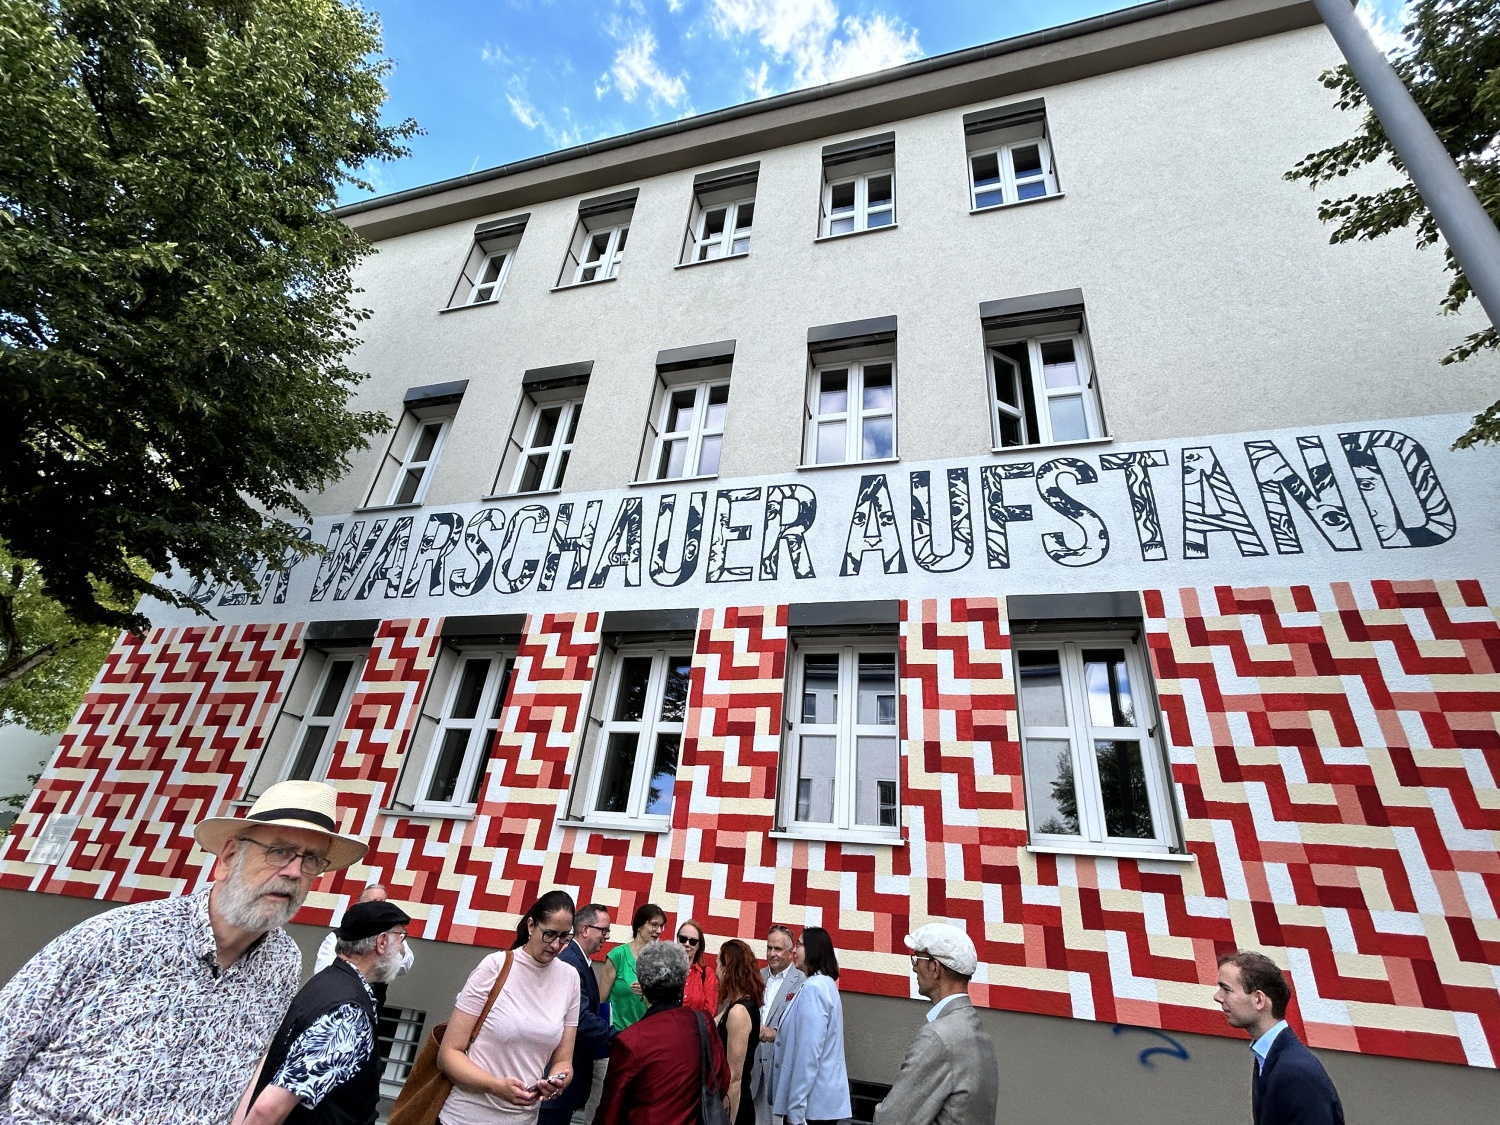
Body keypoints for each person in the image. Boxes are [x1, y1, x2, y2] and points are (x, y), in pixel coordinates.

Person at [0, 779, 368, 1124]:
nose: (293, 872)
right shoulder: (114, 938)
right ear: (227, 856)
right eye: (280, 851)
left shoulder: (283, 962)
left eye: (311, 860)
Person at [239, 900, 412, 1125]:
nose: (401, 949)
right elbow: (268, 1108)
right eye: (401, 937)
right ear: (381, 942)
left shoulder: (326, 982)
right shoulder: (347, 1013)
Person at [437, 891, 580, 1123]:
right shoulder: (495, 966)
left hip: (524, 1118)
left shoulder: (570, 978)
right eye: (550, 934)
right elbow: (448, 1054)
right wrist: (494, 1086)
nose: (556, 945)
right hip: (466, 1117)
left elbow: (564, 1060)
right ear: (531, 925)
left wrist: (556, 1080)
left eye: (565, 937)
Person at [872, 922, 999, 1125]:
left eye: (917, 959)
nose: (914, 967)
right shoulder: (978, 1034)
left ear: (935, 968)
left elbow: (892, 1119)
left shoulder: (938, 1036)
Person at [592, 941, 730, 1125]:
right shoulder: (703, 1022)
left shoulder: (630, 1040)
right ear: (683, 979)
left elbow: (610, 1111)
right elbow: (721, 1080)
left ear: (642, 982)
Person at [1214, 951, 1345, 1125]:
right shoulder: (1270, 1058)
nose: (1218, 996)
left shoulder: (1296, 1072)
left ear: (1259, 1000)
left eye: (1227, 989)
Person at [538, 904, 614, 1125]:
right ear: (585, 929)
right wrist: (617, 1037)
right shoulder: (571, 963)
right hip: (556, 1083)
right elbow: (580, 1018)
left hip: (568, 1081)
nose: (606, 936)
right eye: (603, 930)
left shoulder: (581, 962)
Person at [770, 927, 851, 1125]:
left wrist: (796, 1111)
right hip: (822, 1106)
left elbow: (808, 1054)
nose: (794, 951)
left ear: (813, 949)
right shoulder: (826, 985)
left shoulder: (814, 989)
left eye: (798, 944)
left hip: (811, 1109)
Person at [313, 883, 414, 1005]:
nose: (379, 906)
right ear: (359, 905)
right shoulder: (337, 936)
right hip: (340, 1000)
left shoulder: (393, 935)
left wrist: (398, 946)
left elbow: (403, 967)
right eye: (374, 901)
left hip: (372, 1004)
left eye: (383, 902)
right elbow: (324, 971)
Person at [751, 925, 804, 1125]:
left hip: (780, 1068)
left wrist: (775, 1034)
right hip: (754, 1066)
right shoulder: (757, 976)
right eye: (769, 948)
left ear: (791, 953)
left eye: (778, 949)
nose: (772, 954)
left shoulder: (802, 981)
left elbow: (802, 1027)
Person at [715, 939, 764, 1125]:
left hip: (735, 1110)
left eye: (719, 965)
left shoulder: (739, 1012)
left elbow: (734, 1078)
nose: (716, 972)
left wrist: (727, 1121)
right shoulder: (734, 1006)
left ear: (728, 969)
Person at [597, 902, 665, 1033]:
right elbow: (600, 999)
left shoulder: (660, 960)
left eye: (661, 926)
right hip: (616, 1034)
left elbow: (664, 1003)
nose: (659, 931)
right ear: (639, 925)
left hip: (645, 1035)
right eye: (654, 925)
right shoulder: (618, 955)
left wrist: (649, 991)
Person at [677, 918, 719, 1018]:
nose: (687, 944)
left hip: (694, 1030)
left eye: (693, 941)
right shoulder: (666, 968)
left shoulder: (707, 974)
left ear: (699, 945)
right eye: (683, 939)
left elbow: (710, 1012)